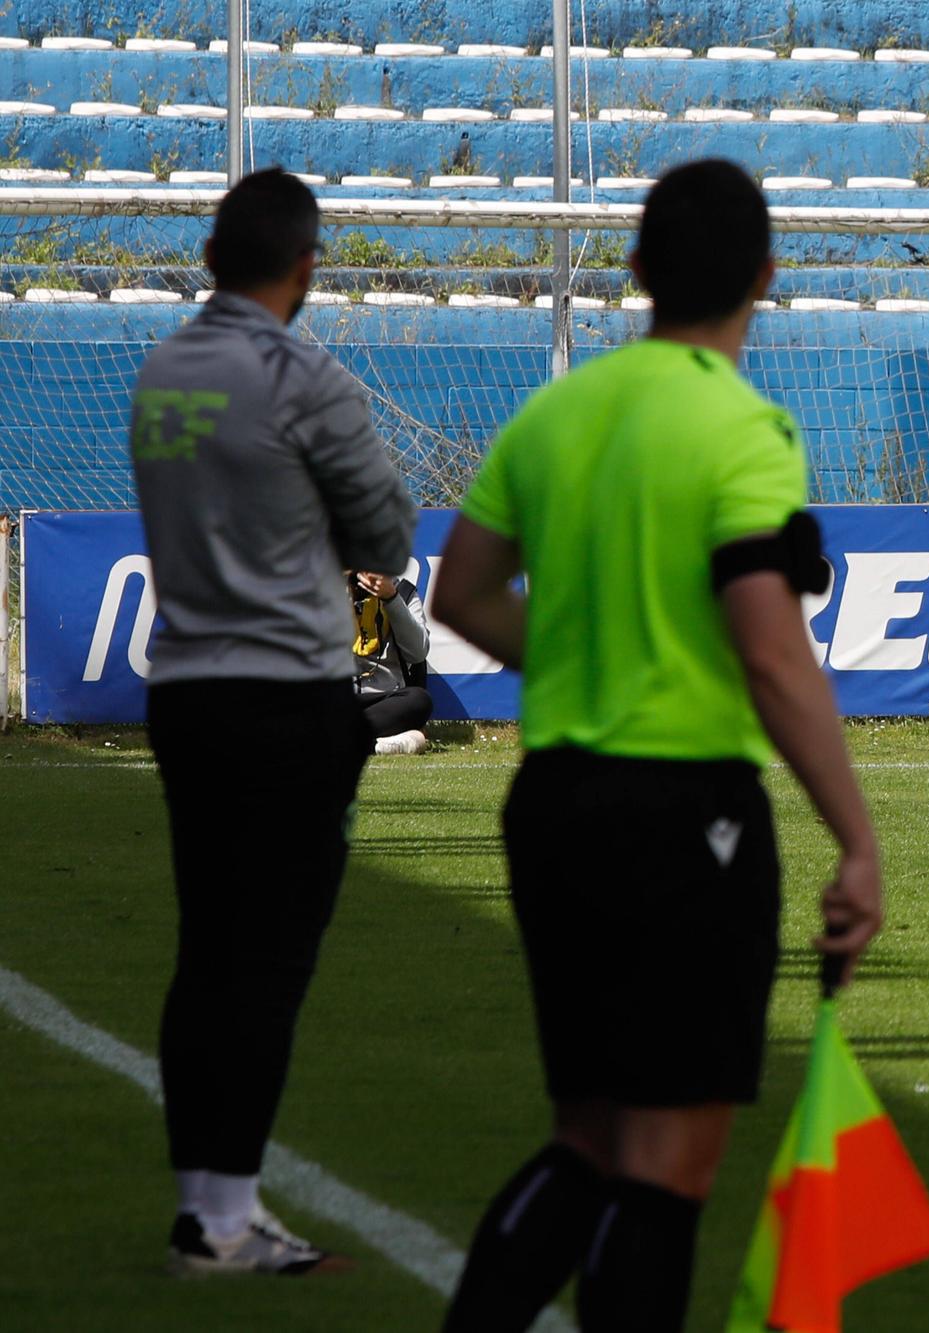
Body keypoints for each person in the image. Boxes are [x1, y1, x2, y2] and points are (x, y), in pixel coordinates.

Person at [429, 159, 883, 1332]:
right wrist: (855, 838)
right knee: (667, 1162)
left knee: (585, 1135)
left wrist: (589, 652)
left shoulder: (558, 408)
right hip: (686, 816)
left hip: (553, 805)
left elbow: (465, 595)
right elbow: (773, 650)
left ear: (633, 269)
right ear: (764, 278)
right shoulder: (743, 425)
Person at [132, 166, 417, 1274]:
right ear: (306, 265)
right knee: (269, 962)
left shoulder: (164, 370)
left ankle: (203, 1201)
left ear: (210, 257)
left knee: (207, 951)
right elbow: (385, 536)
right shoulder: (302, 377)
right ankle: (225, 1220)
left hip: (185, 689)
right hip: (285, 694)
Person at [352, 569, 432, 755]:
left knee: (419, 700)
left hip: (383, 700)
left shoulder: (403, 592)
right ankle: (373, 745)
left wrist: (391, 598)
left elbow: (418, 653)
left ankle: (335, 737)